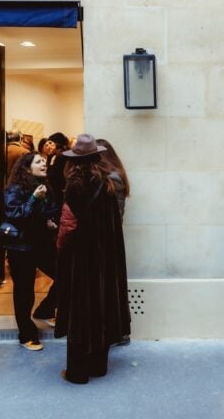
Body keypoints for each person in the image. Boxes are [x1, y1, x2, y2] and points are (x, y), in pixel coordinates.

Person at [55, 134, 130, 384]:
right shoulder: (108, 184)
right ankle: (99, 366)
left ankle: (77, 372)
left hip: (81, 257)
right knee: (102, 307)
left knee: (80, 311)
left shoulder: (75, 185)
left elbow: (67, 225)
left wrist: (60, 250)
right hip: (107, 256)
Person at [3, 152, 60, 350]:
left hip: (42, 244)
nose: (44, 164)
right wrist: (34, 199)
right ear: (27, 168)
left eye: (44, 161)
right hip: (21, 247)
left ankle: (44, 310)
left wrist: (51, 222)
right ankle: (26, 334)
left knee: (64, 275)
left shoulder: (46, 186)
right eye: (38, 161)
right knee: (24, 292)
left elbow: (51, 210)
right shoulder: (15, 189)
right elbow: (15, 214)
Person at [96, 138, 132, 345]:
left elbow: (113, 214)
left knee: (109, 287)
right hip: (110, 238)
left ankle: (116, 332)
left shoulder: (111, 179)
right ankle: (118, 332)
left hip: (107, 239)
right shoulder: (114, 176)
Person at [46, 132, 70, 196]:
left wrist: (51, 165)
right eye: (47, 144)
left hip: (60, 192)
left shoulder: (61, 156)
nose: (48, 146)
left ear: (58, 143)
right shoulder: (54, 156)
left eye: (50, 143)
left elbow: (54, 177)